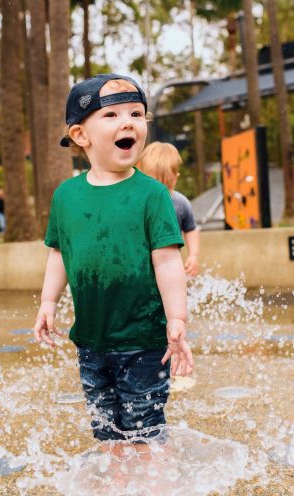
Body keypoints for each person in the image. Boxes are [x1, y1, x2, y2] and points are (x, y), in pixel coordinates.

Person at [33, 74, 194, 459]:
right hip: (91, 341)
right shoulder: (66, 196)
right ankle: (119, 484)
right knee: (107, 432)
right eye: (113, 115)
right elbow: (59, 252)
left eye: (137, 114)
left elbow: (169, 259)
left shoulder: (152, 195)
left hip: (144, 339)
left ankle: (158, 484)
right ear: (81, 135)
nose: (129, 122)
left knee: (144, 428)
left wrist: (178, 318)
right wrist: (47, 302)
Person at [139, 142, 201, 277]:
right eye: (155, 184)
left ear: (176, 178)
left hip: (170, 263)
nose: (161, 191)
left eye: (166, 184)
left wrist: (193, 256)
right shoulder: (138, 202)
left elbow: (191, 229)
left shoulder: (180, 203)